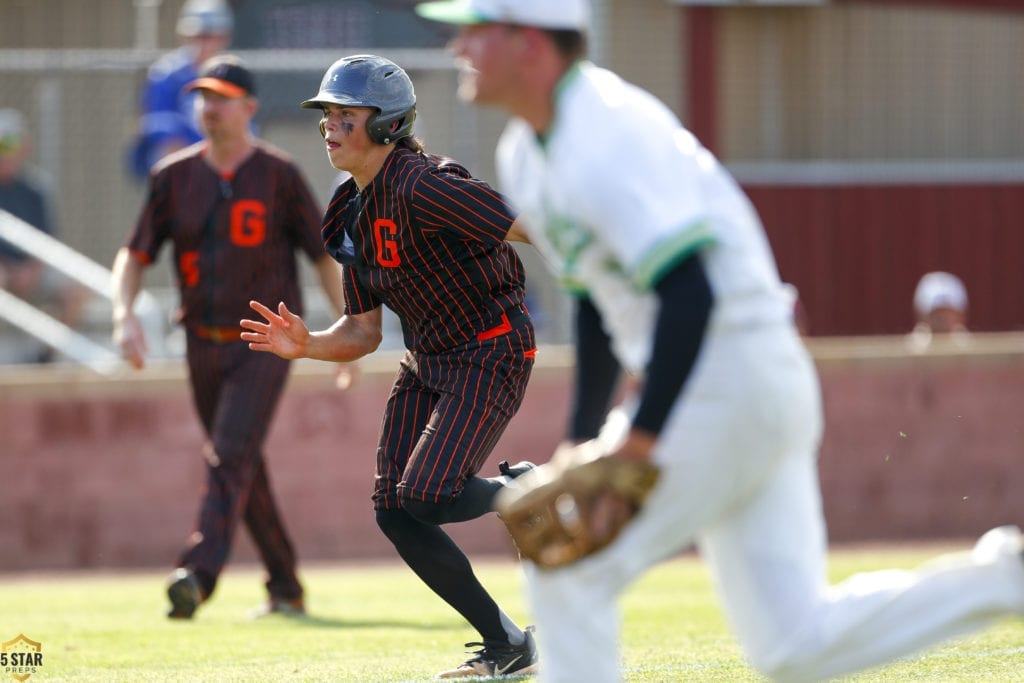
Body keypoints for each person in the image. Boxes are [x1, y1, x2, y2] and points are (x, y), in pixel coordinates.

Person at [416, 1, 1024, 682]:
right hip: (743, 382)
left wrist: (638, 440)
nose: (457, 44)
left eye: (476, 29)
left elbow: (690, 292)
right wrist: (582, 437)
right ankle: (1007, 580)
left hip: (728, 380)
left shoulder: (606, 134)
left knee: (568, 564)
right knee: (794, 642)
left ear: (530, 42)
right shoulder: (525, 151)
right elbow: (593, 301)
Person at [240, 54, 539, 678]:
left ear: (388, 124)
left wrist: (615, 268)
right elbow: (363, 331)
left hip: (492, 346)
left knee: (429, 493)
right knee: (395, 511)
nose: (329, 127)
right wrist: (308, 344)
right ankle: (509, 645)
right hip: (431, 357)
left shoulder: (425, 185)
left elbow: (530, 225)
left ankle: (529, 494)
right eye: (326, 115)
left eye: (345, 115)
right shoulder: (349, 208)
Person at [111, 55, 348, 620]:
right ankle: (286, 586)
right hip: (201, 339)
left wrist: (347, 335)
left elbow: (322, 258)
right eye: (202, 97)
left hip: (264, 342)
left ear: (249, 108)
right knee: (241, 464)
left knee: (229, 455)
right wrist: (124, 313)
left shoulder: (280, 173)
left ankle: (198, 573)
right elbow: (135, 254)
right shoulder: (173, 176)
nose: (209, 108)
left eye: (221, 97)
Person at [0, 108, 90, 362]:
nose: (4, 152)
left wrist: (31, 270)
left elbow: (46, 240)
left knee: (76, 291)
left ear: (24, 147)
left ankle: (46, 357)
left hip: (32, 268)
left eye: (9, 144)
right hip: (3, 270)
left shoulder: (35, 189)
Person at [127, 0, 233, 180]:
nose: (203, 44)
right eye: (198, 36)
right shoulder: (167, 74)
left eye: (210, 36)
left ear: (223, 38)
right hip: (179, 171)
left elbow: (244, 131)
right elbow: (159, 129)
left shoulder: (230, 74)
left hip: (221, 169)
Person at [907, 270, 970, 353]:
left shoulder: (971, 351)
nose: (943, 321)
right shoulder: (911, 352)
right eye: (936, 315)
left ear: (960, 316)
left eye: (949, 314)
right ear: (922, 317)